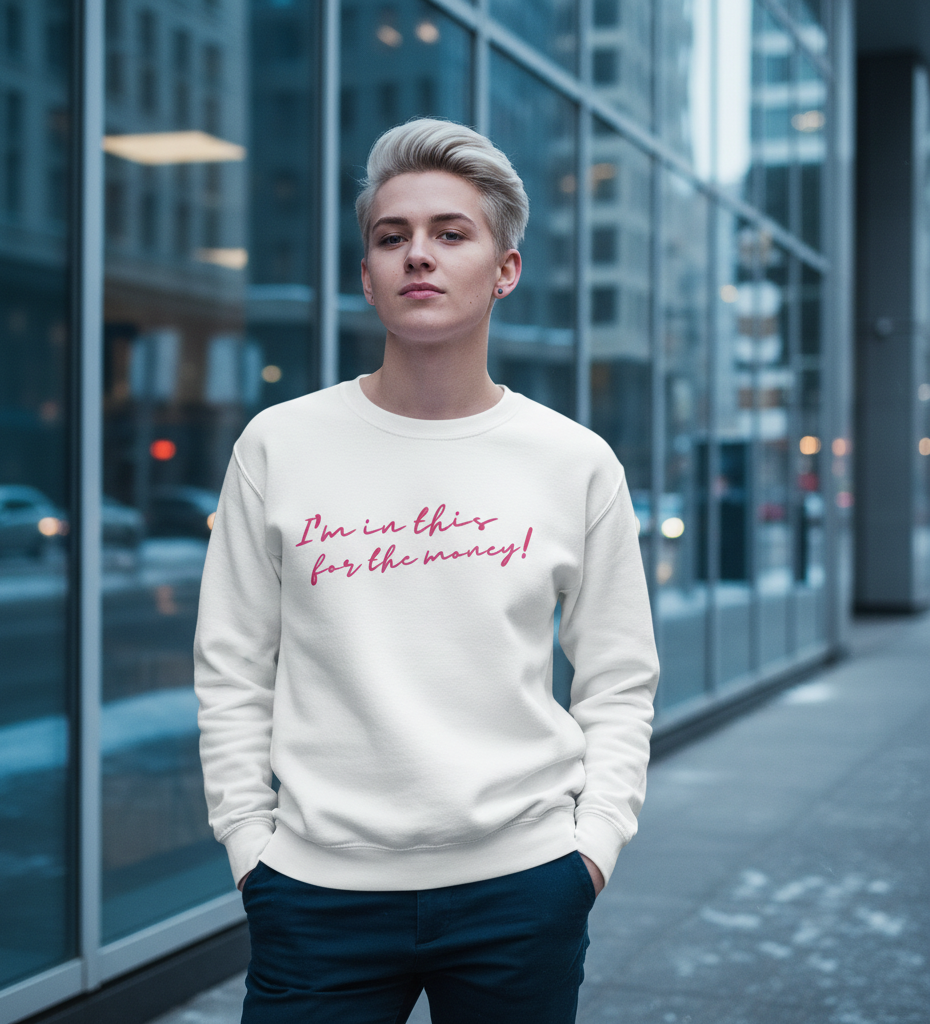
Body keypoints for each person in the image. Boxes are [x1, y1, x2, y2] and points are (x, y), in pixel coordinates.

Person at [194, 118, 659, 1024]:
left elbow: (619, 679)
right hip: (315, 895)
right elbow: (232, 668)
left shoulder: (573, 461)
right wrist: (251, 846)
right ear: (365, 275)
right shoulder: (279, 446)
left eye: (452, 234)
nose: (419, 256)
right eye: (392, 237)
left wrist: (592, 848)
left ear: (504, 270)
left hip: (521, 890)